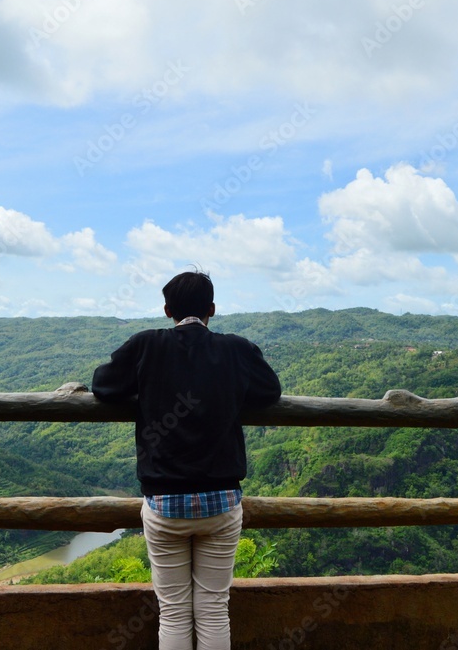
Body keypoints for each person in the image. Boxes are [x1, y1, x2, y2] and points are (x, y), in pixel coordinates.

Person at [91, 270, 281, 650]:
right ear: (212, 309)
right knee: (213, 608)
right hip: (221, 500)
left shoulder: (146, 345)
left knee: (174, 611)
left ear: (167, 310)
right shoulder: (236, 349)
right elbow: (270, 392)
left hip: (165, 502)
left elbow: (104, 385)